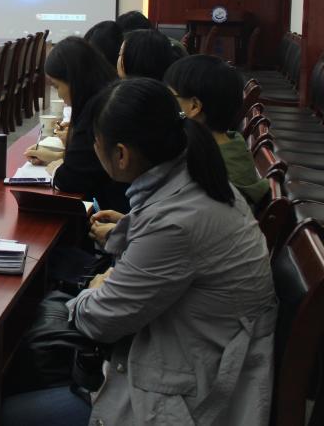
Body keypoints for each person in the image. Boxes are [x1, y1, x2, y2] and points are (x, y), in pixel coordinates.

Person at [21, 78, 275, 426]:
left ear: (121, 154)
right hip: (191, 356)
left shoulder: (175, 224)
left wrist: (93, 290)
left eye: (95, 142)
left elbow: (99, 321)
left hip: (182, 395)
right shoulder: (198, 179)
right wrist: (131, 232)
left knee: (1, 409)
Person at [24, 37, 127, 213]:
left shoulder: (98, 109)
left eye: (57, 86)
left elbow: (71, 179)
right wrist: (56, 157)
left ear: (75, 80)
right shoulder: (108, 91)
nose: (59, 95)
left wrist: (57, 169)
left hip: (113, 208)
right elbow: (90, 161)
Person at [165, 54, 270, 211]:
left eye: (170, 97)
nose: (165, 104)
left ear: (194, 107)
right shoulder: (229, 143)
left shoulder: (210, 173)